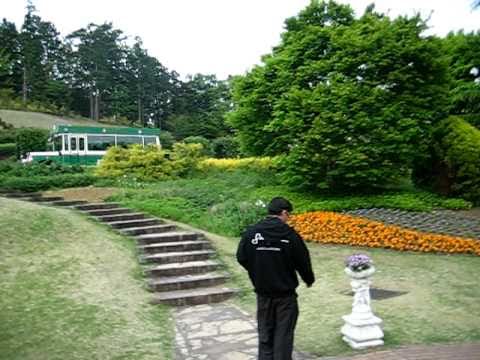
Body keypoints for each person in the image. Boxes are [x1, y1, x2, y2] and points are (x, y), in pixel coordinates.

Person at [236, 197, 315, 360]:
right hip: (285, 297)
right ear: (284, 212)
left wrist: (257, 271)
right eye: (289, 215)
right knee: (283, 337)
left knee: (266, 335)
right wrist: (309, 279)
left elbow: (241, 257)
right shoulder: (289, 234)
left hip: (263, 295)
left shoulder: (251, 232)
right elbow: (303, 261)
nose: (289, 219)